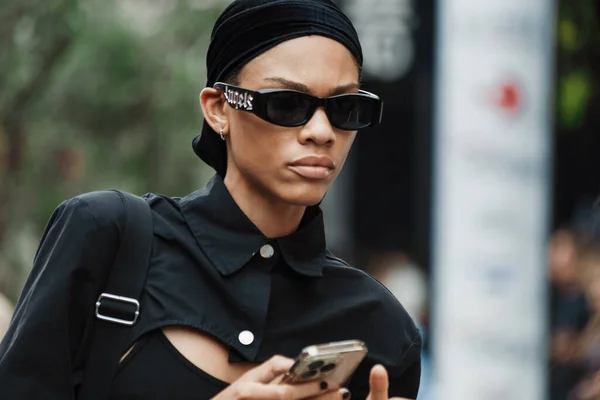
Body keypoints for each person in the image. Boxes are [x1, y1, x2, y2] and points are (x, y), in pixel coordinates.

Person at [0, 0, 421, 399]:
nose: (321, 132)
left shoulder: (381, 328)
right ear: (218, 108)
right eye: (287, 104)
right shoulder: (107, 237)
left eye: (345, 108)